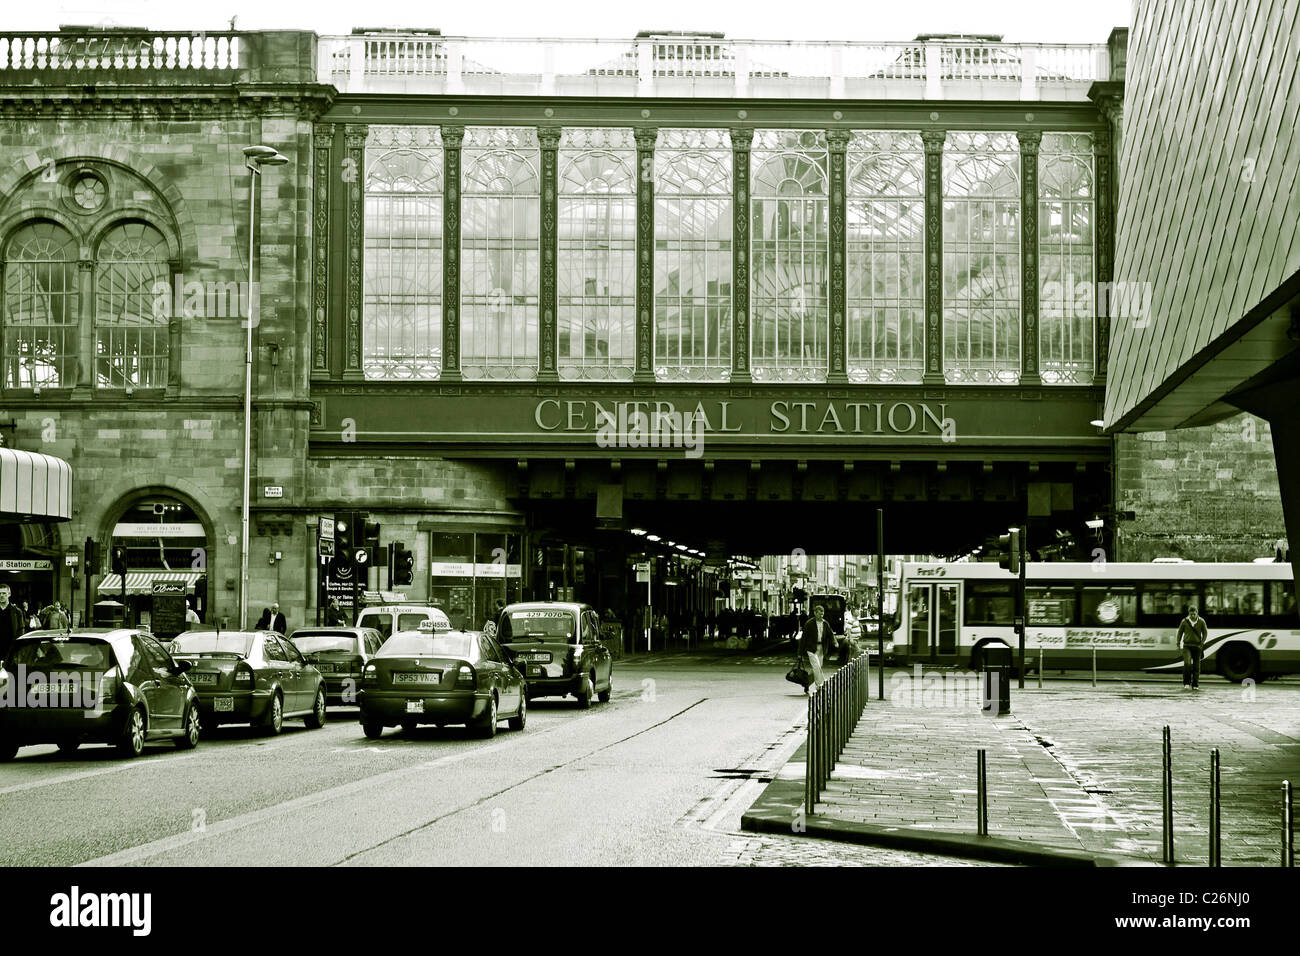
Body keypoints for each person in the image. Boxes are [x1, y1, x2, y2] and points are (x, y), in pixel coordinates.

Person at [799, 604, 829, 695]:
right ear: (815, 613)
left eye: (822, 613)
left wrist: (835, 642)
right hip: (811, 648)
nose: (821, 615)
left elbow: (830, 634)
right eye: (819, 613)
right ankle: (820, 686)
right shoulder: (809, 623)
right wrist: (800, 653)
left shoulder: (825, 623)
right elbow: (803, 639)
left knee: (815, 669)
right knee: (817, 667)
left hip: (821, 648)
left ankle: (806, 684)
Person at [1177, 604, 1208, 690]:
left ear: (1197, 613)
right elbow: (1180, 632)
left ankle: (1195, 684)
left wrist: (1202, 643)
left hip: (1197, 646)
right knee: (1187, 664)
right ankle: (1186, 683)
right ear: (1189, 614)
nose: (1193, 616)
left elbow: (1205, 633)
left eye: (1194, 614)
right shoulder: (1184, 621)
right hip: (1187, 646)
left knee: (1196, 666)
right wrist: (1178, 642)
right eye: (1191, 614)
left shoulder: (1201, 621)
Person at [0, 584, 27, 663]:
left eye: (4, 593)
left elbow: (21, 630)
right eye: (0, 593)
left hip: (11, 650)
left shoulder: (17, 611)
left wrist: (18, 648)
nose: (1, 595)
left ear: (9, 594)